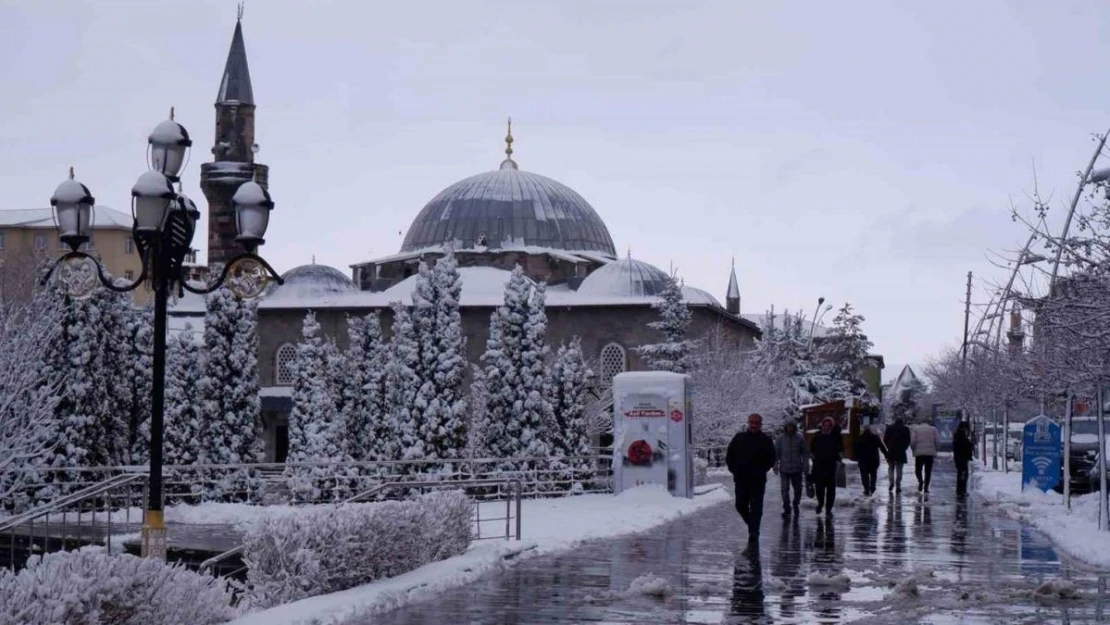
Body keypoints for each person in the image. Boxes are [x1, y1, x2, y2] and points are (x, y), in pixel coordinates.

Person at [726, 413, 777, 544]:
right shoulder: (739, 438)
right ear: (748, 423)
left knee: (756, 507)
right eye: (751, 422)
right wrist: (734, 470)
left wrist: (761, 470)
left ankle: (754, 531)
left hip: (758, 480)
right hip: (741, 479)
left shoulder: (766, 440)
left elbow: (771, 458)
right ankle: (751, 524)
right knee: (740, 505)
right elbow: (730, 455)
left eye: (756, 423)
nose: (754, 425)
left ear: (760, 425)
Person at [774, 421, 809, 517]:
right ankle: (786, 507)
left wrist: (806, 466)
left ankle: (795, 502)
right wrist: (775, 465)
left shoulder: (800, 438)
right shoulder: (780, 439)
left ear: (794, 427)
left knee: (798, 489)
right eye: (788, 426)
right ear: (785, 427)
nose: (789, 428)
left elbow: (805, 453)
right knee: (784, 490)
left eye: (791, 426)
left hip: (797, 469)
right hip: (784, 469)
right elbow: (776, 454)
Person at [809, 416, 843, 517]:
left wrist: (839, 458)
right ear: (822, 425)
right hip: (819, 466)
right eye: (825, 425)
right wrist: (813, 457)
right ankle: (820, 504)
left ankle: (828, 509)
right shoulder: (817, 436)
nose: (826, 427)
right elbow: (812, 449)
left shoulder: (836, 436)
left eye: (829, 426)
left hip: (831, 466)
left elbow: (840, 449)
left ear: (831, 427)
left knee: (831, 490)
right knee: (819, 489)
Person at [854, 425, 888, 496]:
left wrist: (857, 459)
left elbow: (856, 450)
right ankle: (872, 488)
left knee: (864, 476)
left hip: (863, 461)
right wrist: (886, 454)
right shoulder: (875, 437)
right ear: (870, 430)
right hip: (874, 460)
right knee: (873, 475)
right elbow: (881, 446)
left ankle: (866, 489)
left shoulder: (859, 438)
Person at [910, 418, 940, 493]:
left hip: (919, 454)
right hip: (930, 453)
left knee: (918, 470)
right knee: (928, 471)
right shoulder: (934, 429)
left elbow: (913, 442)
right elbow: (937, 441)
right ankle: (926, 487)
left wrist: (913, 449)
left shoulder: (916, 429)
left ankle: (920, 481)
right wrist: (936, 449)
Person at [883, 417, 912, 493]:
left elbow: (885, 439)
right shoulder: (905, 429)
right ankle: (898, 485)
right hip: (901, 452)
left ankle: (891, 482)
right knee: (899, 469)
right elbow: (908, 440)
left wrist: (888, 446)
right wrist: (904, 447)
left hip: (891, 451)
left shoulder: (890, 428)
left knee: (891, 468)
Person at [952, 421, 975, 496]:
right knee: (963, 474)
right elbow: (965, 446)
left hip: (958, 457)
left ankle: (960, 490)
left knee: (960, 474)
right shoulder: (961, 436)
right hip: (962, 458)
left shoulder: (957, 435)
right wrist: (970, 444)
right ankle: (962, 490)